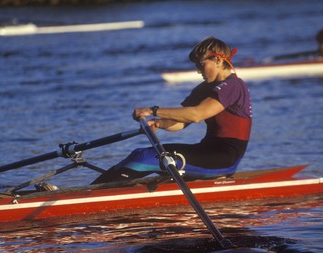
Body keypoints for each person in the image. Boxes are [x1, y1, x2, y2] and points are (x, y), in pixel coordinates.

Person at [93, 36, 252, 184]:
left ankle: (94, 196)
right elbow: (181, 123)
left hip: (225, 159)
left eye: (201, 64)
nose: (198, 71)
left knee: (145, 158)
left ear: (217, 60)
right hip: (206, 150)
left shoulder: (234, 85)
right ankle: (95, 190)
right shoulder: (203, 89)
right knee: (142, 153)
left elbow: (196, 114)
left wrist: (153, 110)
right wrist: (159, 124)